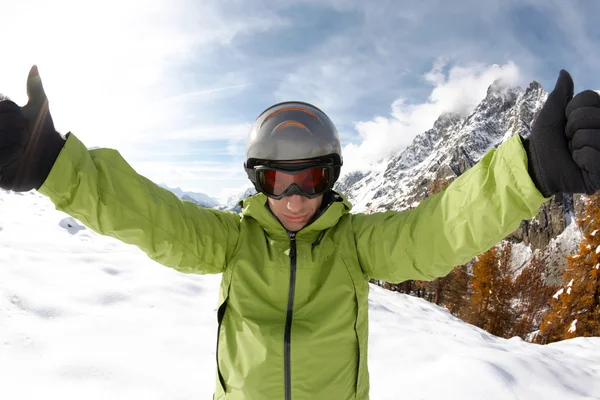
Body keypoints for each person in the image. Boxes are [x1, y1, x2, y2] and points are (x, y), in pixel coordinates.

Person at [0, 66, 599, 400]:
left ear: (331, 179)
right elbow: (151, 215)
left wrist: (528, 170)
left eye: (309, 179)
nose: (293, 199)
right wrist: (53, 163)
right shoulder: (230, 241)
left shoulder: (356, 245)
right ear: (256, 182)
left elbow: (436, 229)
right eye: (276, 181)